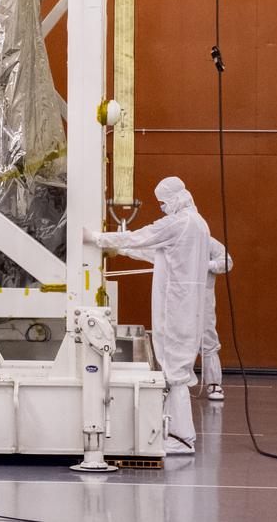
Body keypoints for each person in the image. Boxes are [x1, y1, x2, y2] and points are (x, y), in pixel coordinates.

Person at [87, 176, 209, 455]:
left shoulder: (180, 223)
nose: (163, 208)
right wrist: (121, 248)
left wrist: (95, 238)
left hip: (176, 306)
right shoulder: (197, 225)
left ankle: (181, 437)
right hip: (187, 306)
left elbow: (141, 236)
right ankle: (176, 432)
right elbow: (156, 254)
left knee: (174, 369)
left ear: (177, 197)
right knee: (175, 367)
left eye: (164, 202)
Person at [201, 236, 232, 402]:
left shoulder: (207, 241)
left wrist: (207, 265)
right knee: (178, 338)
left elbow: (227, 261)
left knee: (207, 337)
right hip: (179, 298)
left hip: (203, 300)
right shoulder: (174, 237)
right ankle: (174, 382)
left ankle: (213, 383)